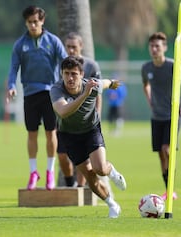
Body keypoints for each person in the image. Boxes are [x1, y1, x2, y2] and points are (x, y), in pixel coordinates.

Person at [50, 56, 127, 218]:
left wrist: (112, 83)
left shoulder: (92, 85)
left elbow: (104, 83)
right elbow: (63, 112)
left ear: (81, 74)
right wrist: (84, 95)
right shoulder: (56, 90)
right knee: (90, 176)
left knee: (100, 168)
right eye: (66, 74)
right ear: (61, 74)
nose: (70, 78)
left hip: (91, 130)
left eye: (74, 74)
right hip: (69, 136)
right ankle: (112, 205)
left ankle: (111, 170)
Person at [6, 6, 67, 190]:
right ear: (26, 23)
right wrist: (11, 86)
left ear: (42, 21)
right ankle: (33, 172)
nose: (33, 25)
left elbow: (65, 61)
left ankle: (49, 172)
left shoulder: (53, 41)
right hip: (30, 94)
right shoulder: (20, 44)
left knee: (51, 133)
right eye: (29, 22)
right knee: (32, 133)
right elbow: (13, 67)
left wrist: (70, 84)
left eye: (36, 21)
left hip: (51, 94)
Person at [141, 32, 181, 200]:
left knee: (167, 149)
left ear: (164, 48)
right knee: (160, 153)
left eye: (157, 46)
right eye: (151, 46)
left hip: (172, 116)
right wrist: (150, 101)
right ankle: (169, 190)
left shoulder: (174, 66)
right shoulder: (146, 68)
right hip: (156, 116)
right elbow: (146, 86)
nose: (154, 49)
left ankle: (172, 186)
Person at [57, 32, 103, 188]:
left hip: (86, 121)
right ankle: (70, 183)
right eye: (68, 46)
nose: (70, 50)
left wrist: (98, 113)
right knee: (62, 155)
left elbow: (98, 92)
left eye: (73, 47)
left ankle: (81, 187)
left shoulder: (91, 66)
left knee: (86, 158)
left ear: (81, 46)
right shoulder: (62, 65)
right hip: (67, 120)